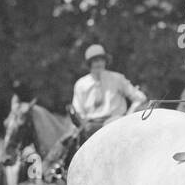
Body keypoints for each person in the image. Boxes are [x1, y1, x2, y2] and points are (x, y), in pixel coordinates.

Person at [55, 43, 147, 173]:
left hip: (115, 122)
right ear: (89, 64)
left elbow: (139, 97)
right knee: (66, 143)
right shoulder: (81, 84)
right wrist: (81, 123)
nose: (99, 63)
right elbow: (78, 111)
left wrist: (128, 116)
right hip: (90, 127)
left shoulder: (117, 78)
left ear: (105, 61)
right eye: (95, 61)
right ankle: (59, 171)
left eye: (101, 59)